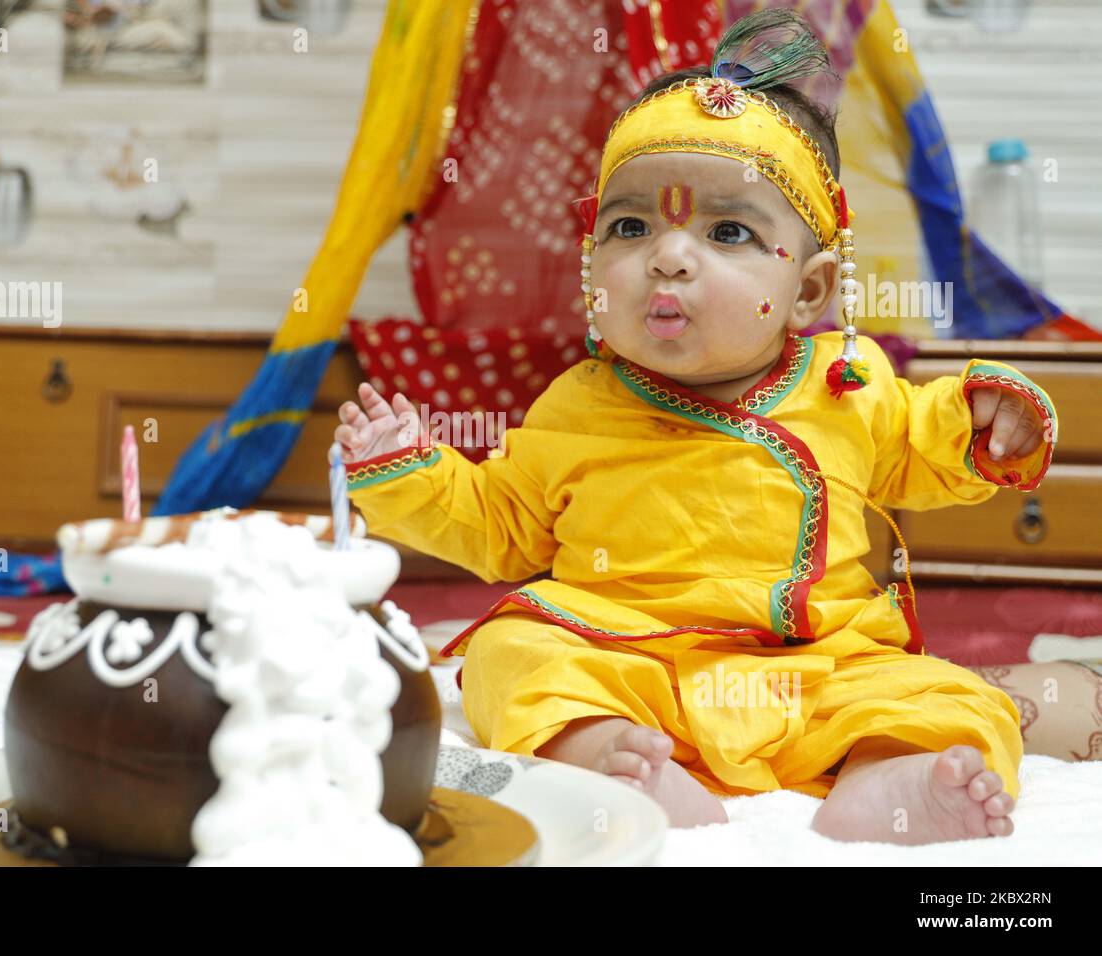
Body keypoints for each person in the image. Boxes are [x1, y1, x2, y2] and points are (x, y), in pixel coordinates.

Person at [334, 10, 1059, 845]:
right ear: (590, 264)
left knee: (955, 698)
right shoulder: (575, 406)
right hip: (626, 657)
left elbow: (932, 440)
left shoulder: (851, 385)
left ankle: (889, 776)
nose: (668, 257)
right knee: (510, 657)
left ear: (811, 290)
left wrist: (989, 417)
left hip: (818, 667)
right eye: (631, 226)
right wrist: (404, 473)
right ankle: (609, 752)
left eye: (728, 231)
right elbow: (501, 523)